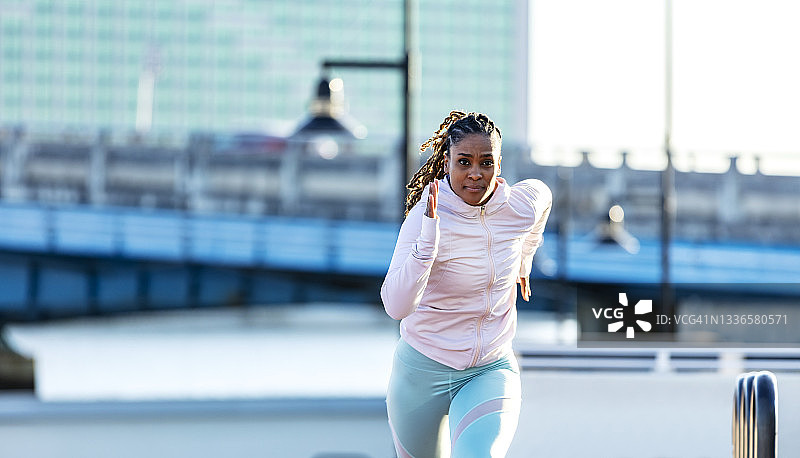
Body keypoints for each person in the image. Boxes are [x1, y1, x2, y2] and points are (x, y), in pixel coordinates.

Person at [381, 110, 552, 457]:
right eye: (464, 162)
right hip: (419, 373)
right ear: (447, 163)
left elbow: (543, 195)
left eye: (486, 162)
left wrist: (526, 255)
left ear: (499, 164)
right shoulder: (425, 217)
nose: (476, 174)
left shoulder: (518, 207)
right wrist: (427, 245)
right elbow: (396, 307)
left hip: (488, 368)